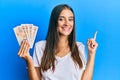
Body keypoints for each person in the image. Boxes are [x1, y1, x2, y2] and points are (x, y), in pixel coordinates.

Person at [18, 4, 98, 80]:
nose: (67, 23)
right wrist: (29, 61)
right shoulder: (40, 46)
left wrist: (91, 54)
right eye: (61, 19)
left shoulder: (79, 47)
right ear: (54, 22)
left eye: (70, 19)